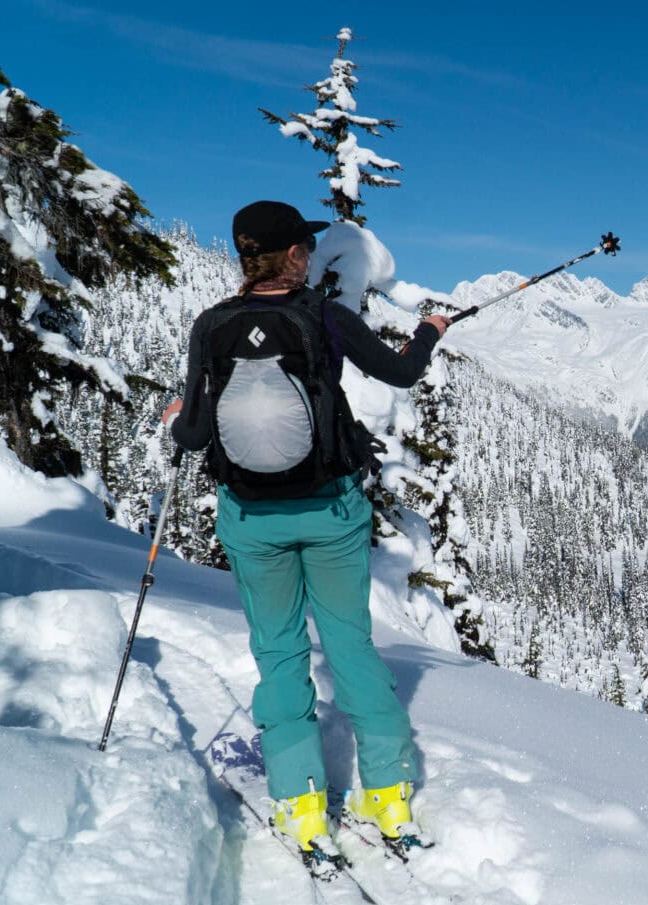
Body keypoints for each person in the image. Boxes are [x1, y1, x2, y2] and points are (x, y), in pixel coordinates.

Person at [163, 200, 449, 853]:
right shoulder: (324, 314)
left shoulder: (211, 326)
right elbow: (402, 370)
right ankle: (388, 796)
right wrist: (430, 329)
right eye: (306, 248)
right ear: (294, 254)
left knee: (280, 653)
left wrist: (180, 417)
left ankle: (300, 804)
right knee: (350, 647)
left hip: (250, 519)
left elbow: (195, 432)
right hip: (330, 512)